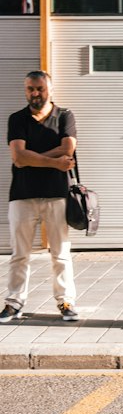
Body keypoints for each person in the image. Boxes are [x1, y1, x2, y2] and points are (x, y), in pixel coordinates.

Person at [2, 70, 78, 323]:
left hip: (56, 194)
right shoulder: (17, 119)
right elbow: (18, 157)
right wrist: (54, 162)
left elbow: (68, 148)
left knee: (60, 253)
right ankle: (14, 302)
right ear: (26, 91)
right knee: (20, 254)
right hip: (22, 195)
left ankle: (66, 301)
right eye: (30, 89)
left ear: (50, 90)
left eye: (40, 89)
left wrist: (32, 157)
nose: (35, 94)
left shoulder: (65, 116)